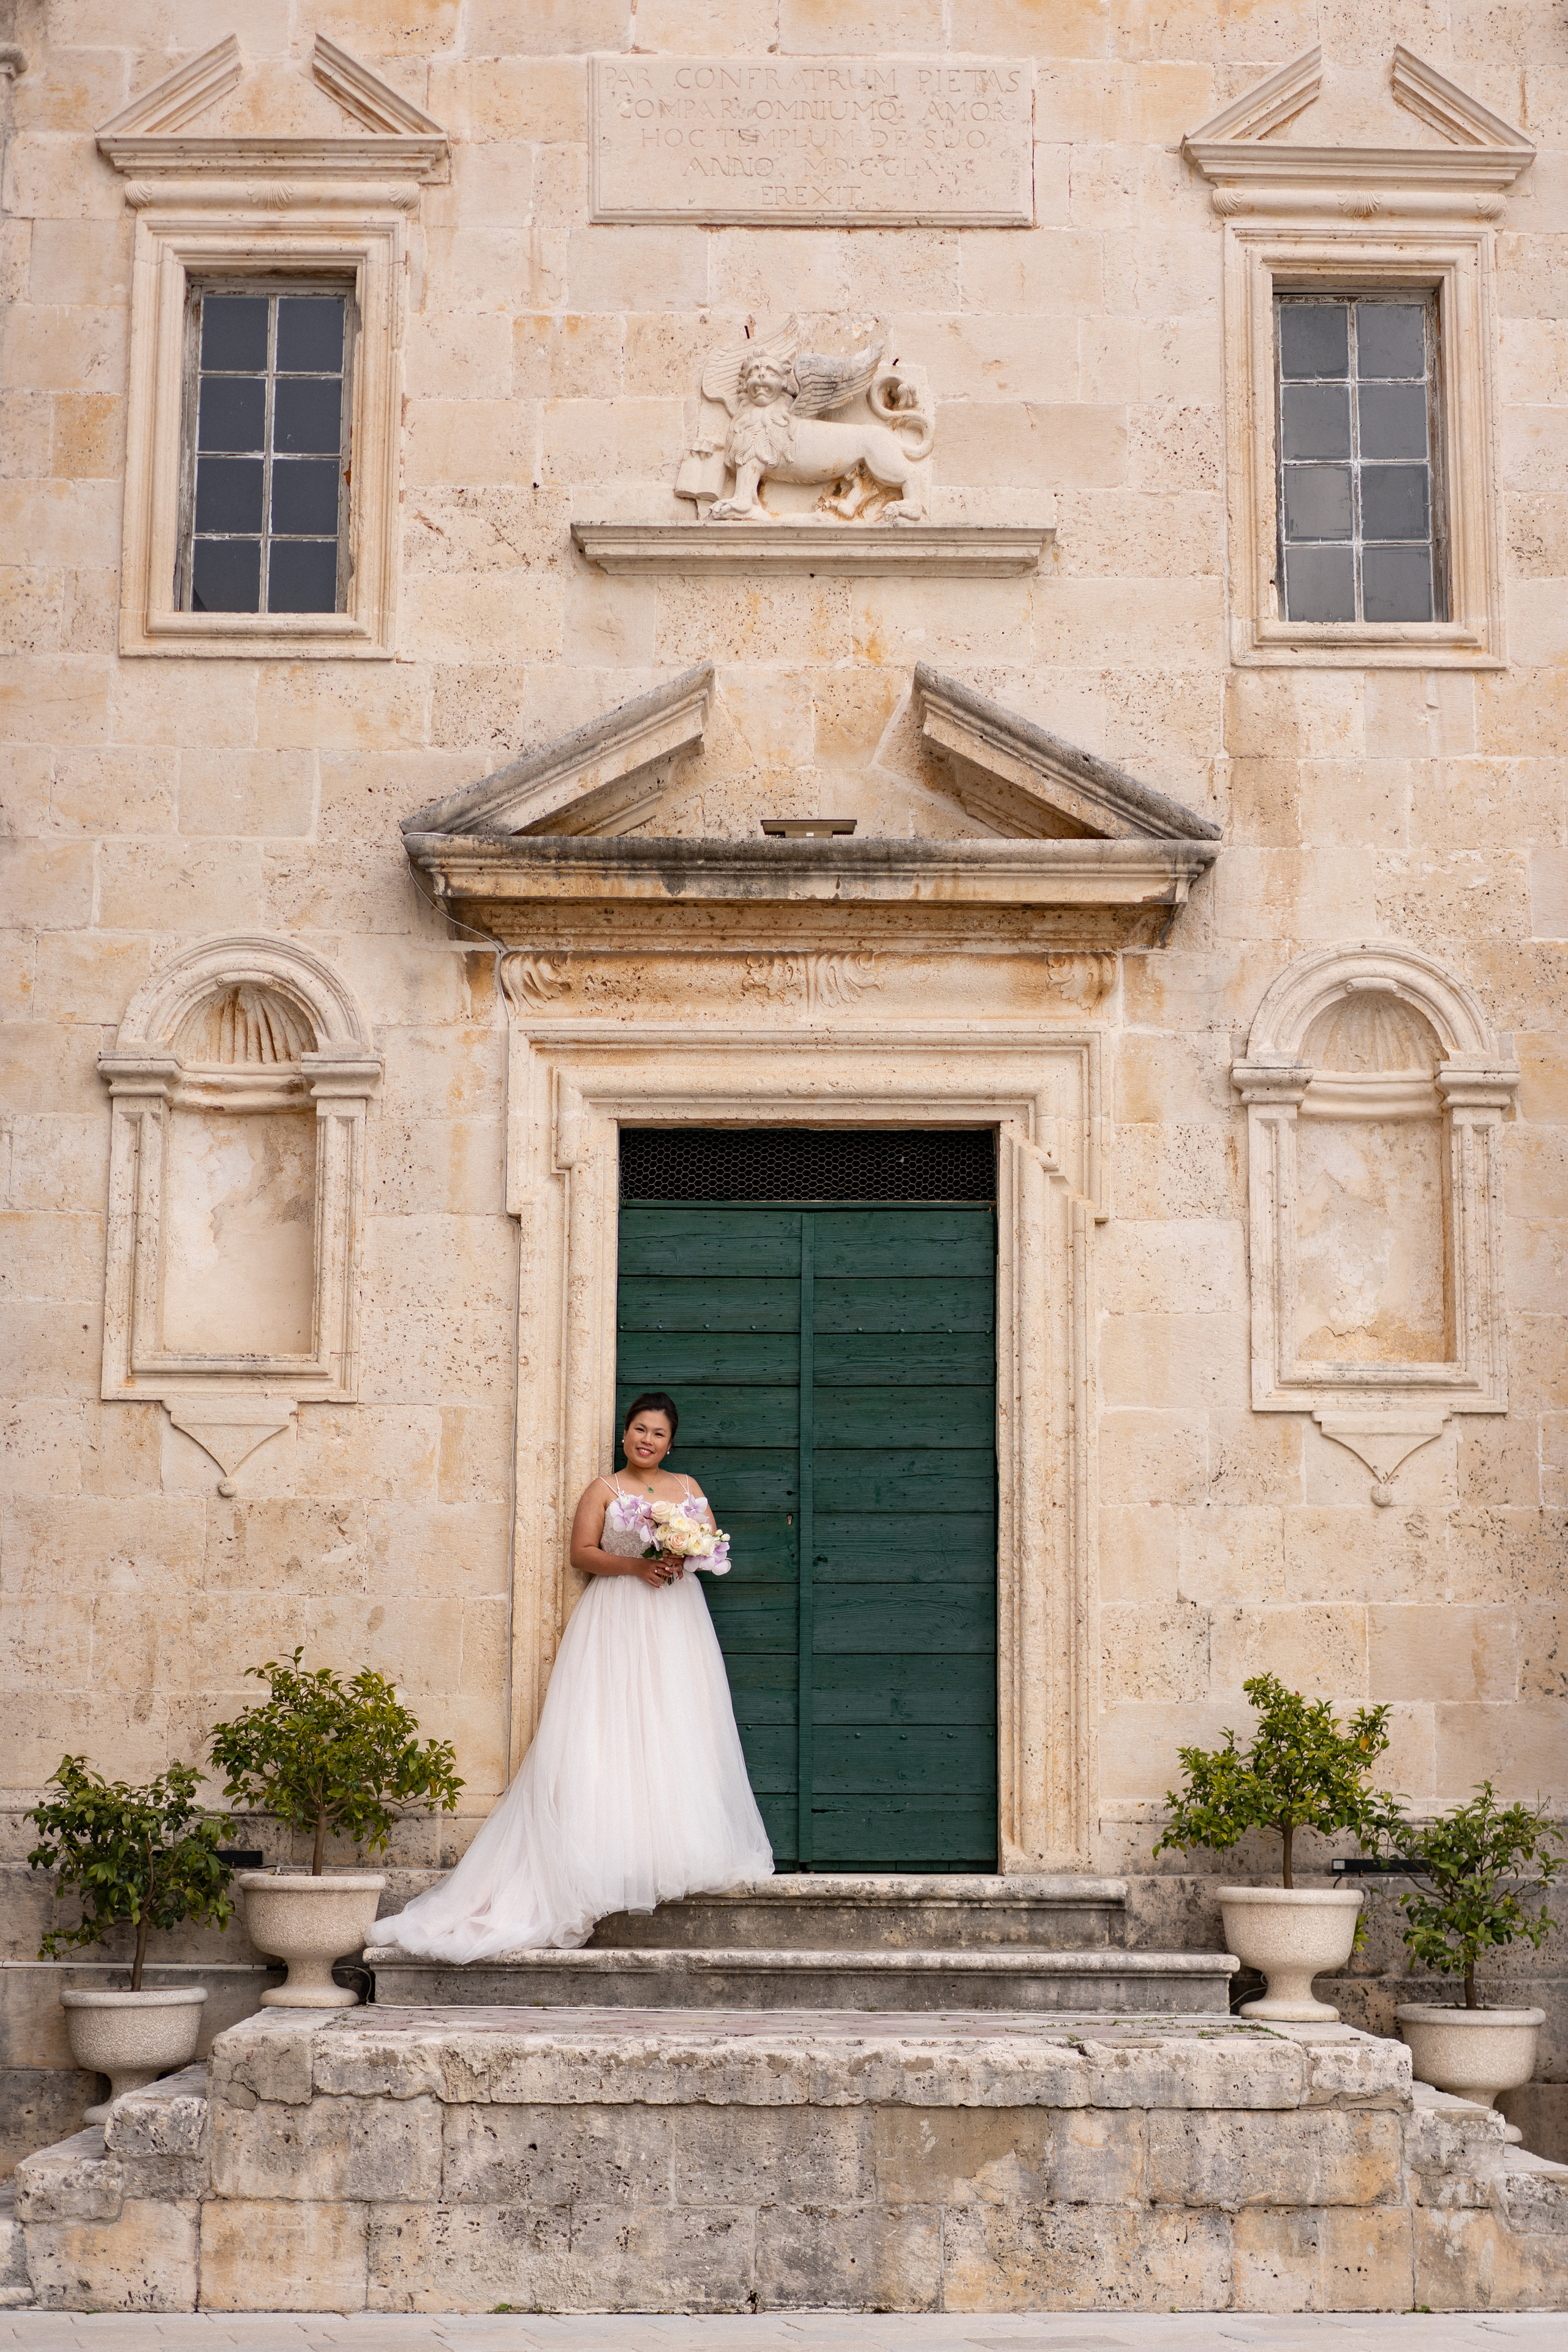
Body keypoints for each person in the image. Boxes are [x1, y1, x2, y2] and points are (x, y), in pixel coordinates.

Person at [374, 1392, 772, 1958]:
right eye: (639, 1430)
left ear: (670, 1441)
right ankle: (600, 1852)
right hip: (617, 1614)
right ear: (626, 1435)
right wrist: (639, 1564)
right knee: (606, 1724)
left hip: (676, 1617)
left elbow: (709, 1546)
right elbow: (581, 1553)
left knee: (675, 1717)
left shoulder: (689, 1488)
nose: (647, 1440)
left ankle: (671, 1847)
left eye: (658, 1433)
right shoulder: (604, 1490)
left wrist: (684, 1555)